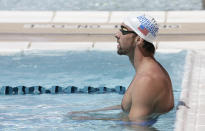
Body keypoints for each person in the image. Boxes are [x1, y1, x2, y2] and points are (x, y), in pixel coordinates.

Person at [69, 14, 174, 127]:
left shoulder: (147, 80)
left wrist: (94, 119)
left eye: (123, 30)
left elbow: (136, 126)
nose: (116, 34)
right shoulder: (147, 70)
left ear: (138, 39)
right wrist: (89, 114)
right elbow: (134, 106)